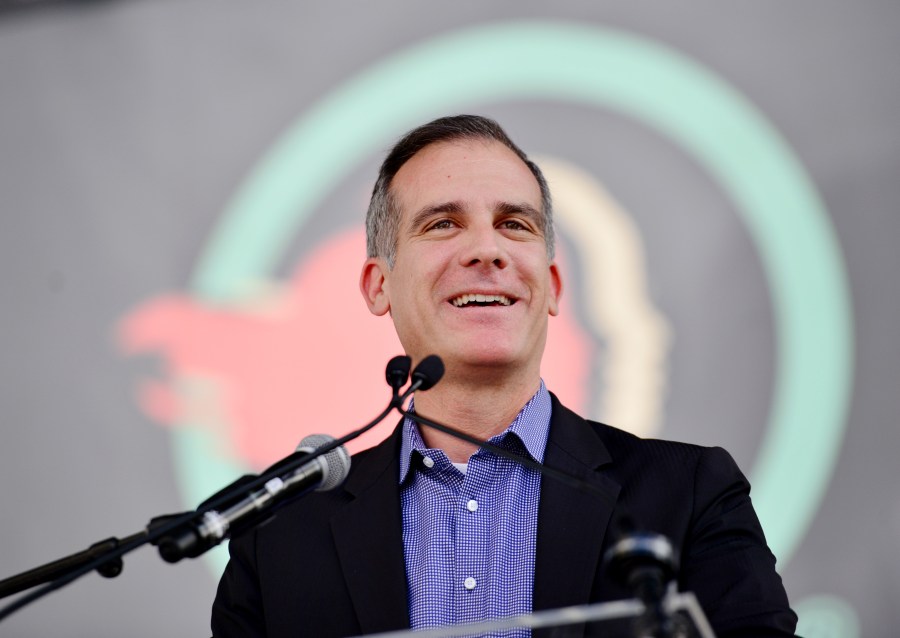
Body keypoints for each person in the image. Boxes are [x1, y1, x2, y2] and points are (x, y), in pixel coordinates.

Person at [211, 115, 797, 637]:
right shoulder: (279, 537)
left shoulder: (690, 495)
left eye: (515, 225)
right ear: (378, 285)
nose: (487, 250)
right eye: (442, 223)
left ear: (552, 287)